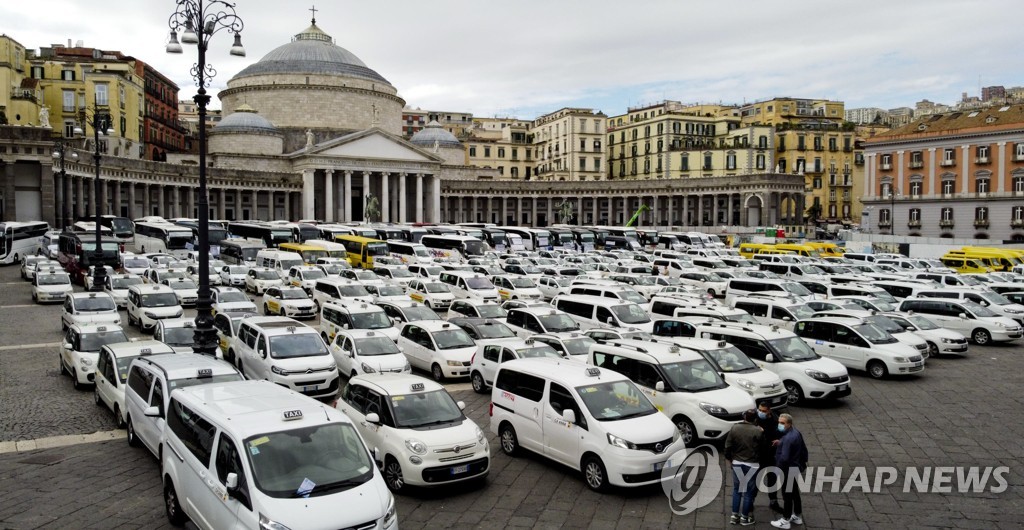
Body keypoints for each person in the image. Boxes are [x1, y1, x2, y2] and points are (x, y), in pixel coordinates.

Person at [724, 409, 762, 526]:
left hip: (737, 463)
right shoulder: (758, 431)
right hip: (752, 465)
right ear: (755, 419)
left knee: (737, 490)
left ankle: (734, 516)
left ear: (745, 417)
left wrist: (730, 459)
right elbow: (762, 448)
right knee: (749, 492)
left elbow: (727, 447)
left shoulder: (735, 428)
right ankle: (744, 518)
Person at [771, 413, 808, 529]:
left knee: (787, 495)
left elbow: (784, 458)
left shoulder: (787, 438)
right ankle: (797, 516)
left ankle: (785, 520)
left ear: (789, 424)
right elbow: (803, 449)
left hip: (786, 470)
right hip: (795, 467)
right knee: (795, 493)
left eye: (783, 423)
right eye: (779, 422)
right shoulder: (795, 433)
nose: (780, 425)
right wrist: (780, 442)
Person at [756, 402, 783, 514]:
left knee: (772, 479)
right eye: (760, 410)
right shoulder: (756, 419)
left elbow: (780, 435)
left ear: (769, 411)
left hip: (771, 455)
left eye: (764, 411)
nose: (761, 412)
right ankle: (749, 501)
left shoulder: (776, 421)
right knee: (755, 479)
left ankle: (773, 502)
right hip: (759, 455)